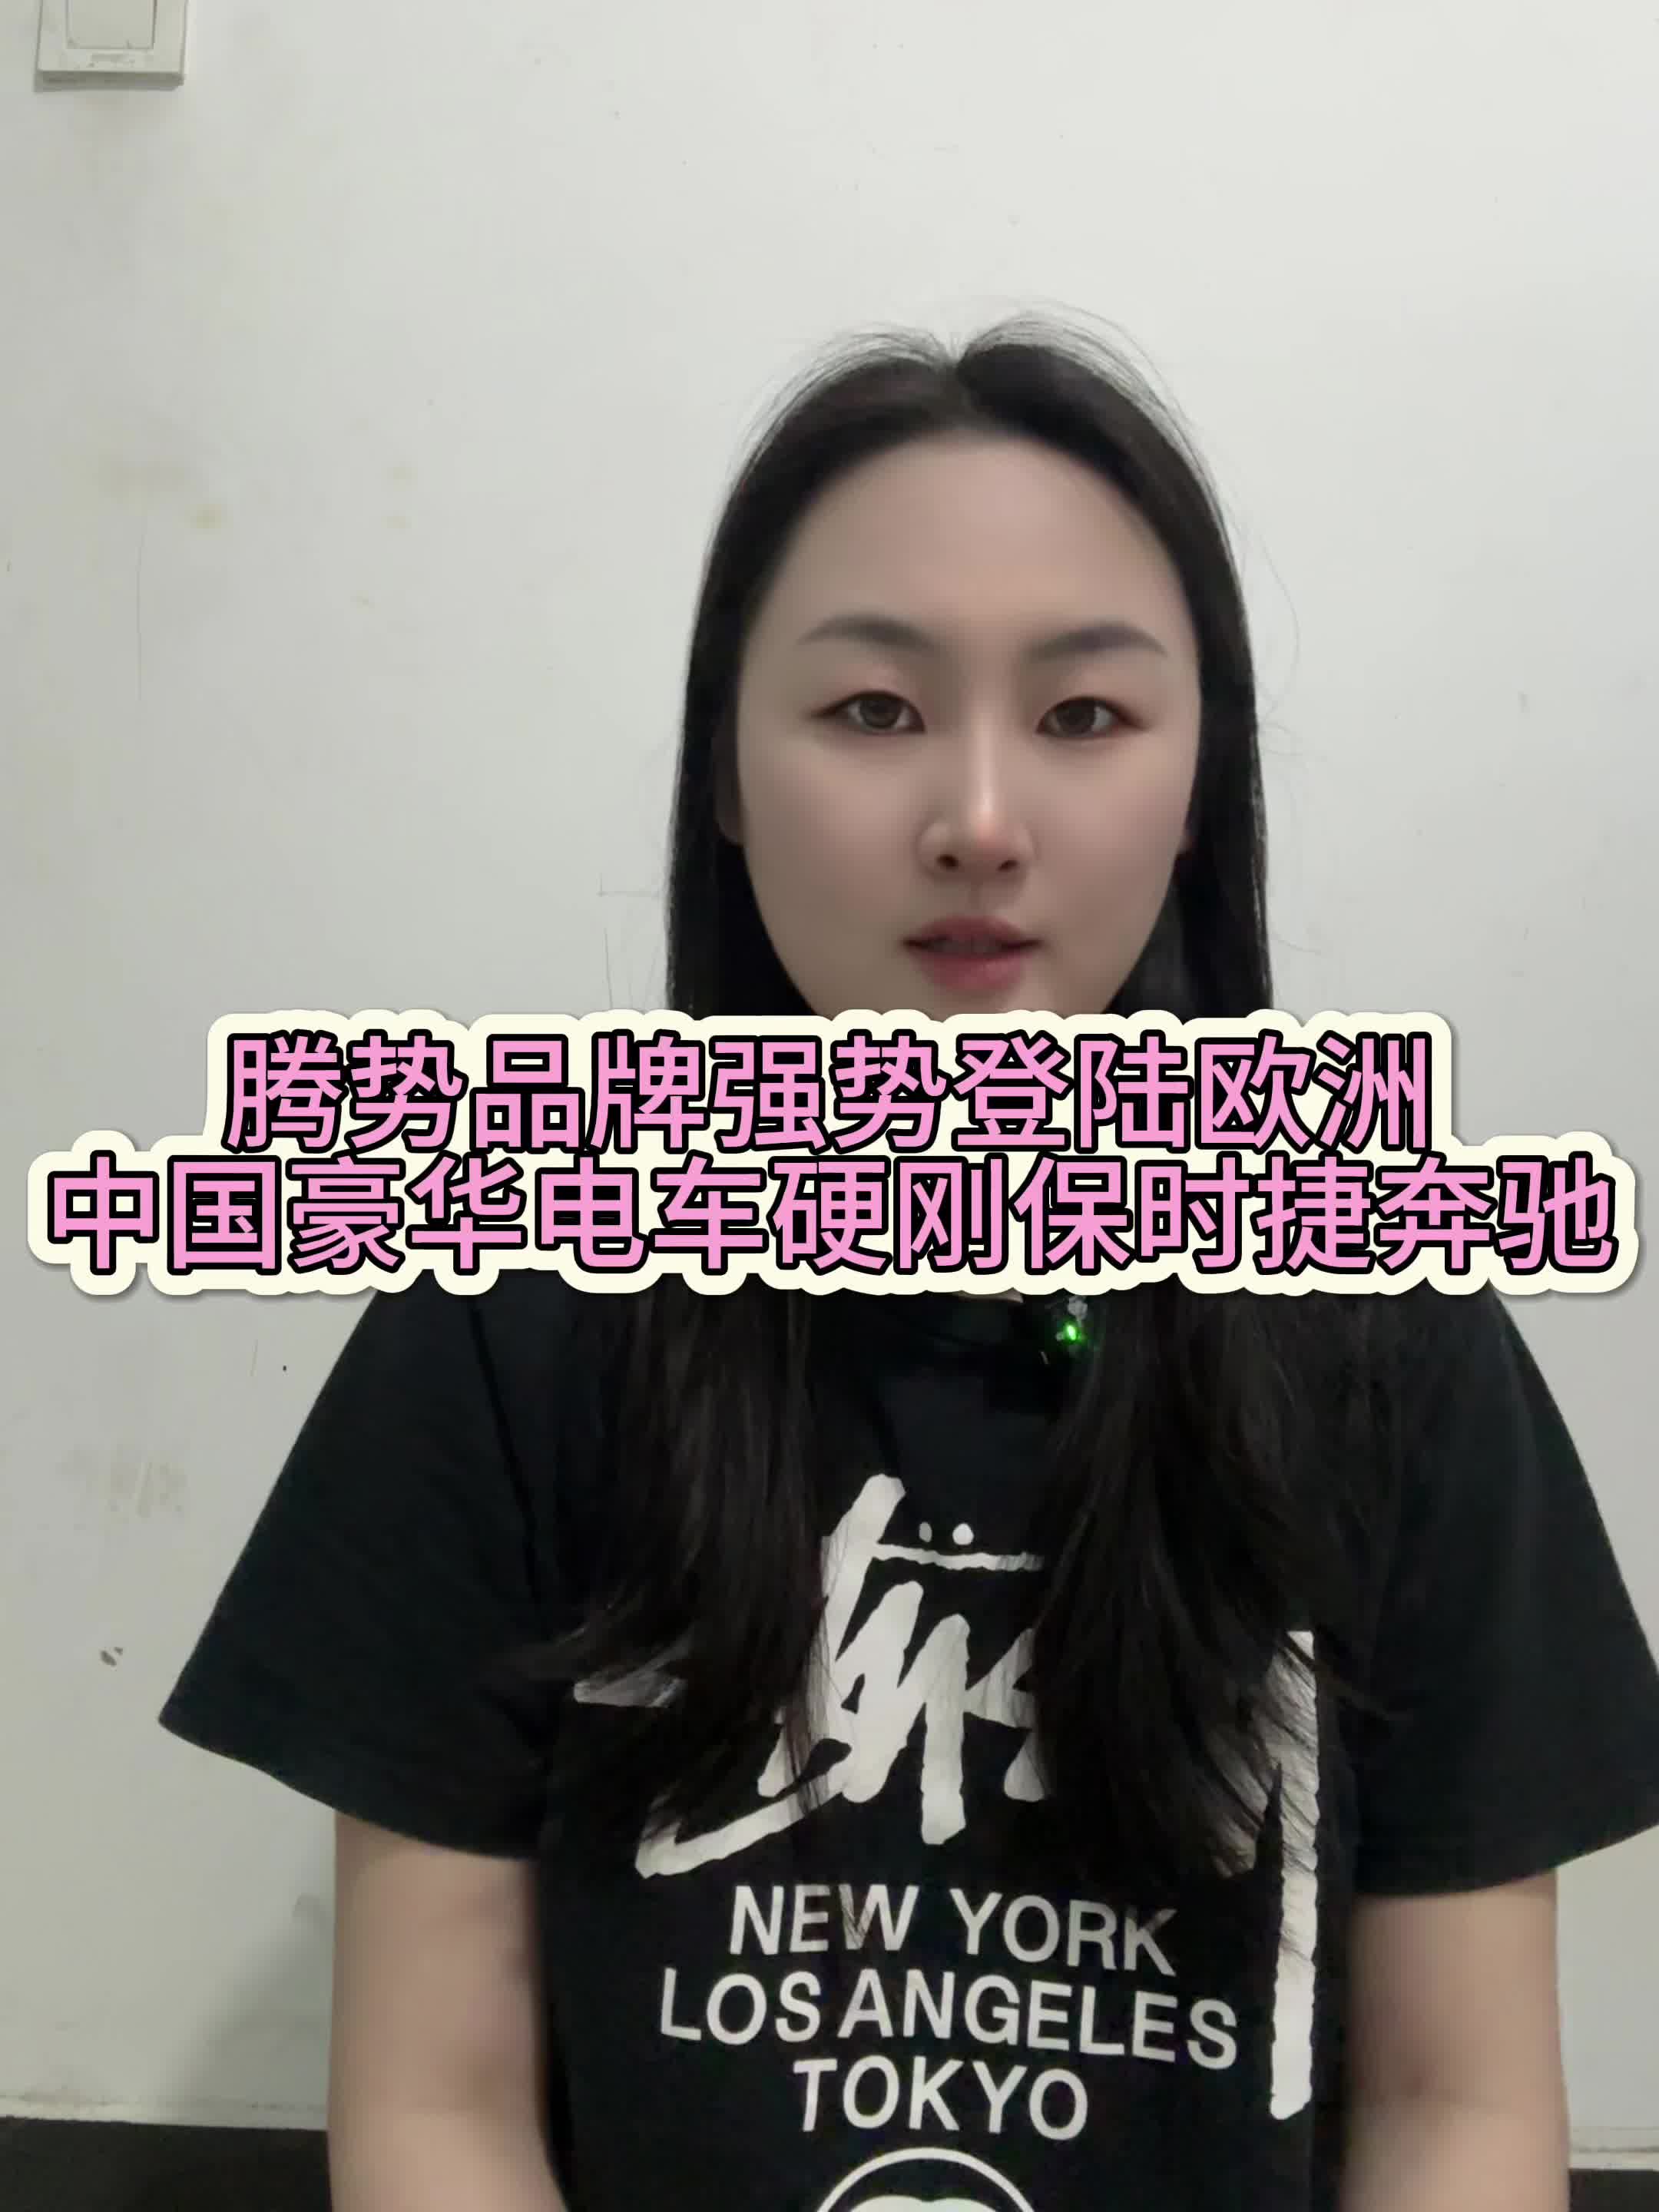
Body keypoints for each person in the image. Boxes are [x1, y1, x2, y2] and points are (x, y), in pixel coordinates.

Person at [159, 318, 1659, 2212]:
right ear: (724, 772)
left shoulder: (1386, 1331)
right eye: (873, 711)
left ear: (1201, 786)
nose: (980, 823)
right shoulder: (509, 1320)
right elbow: (436, 2112)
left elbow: (1461, 2111)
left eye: (1085, 717)